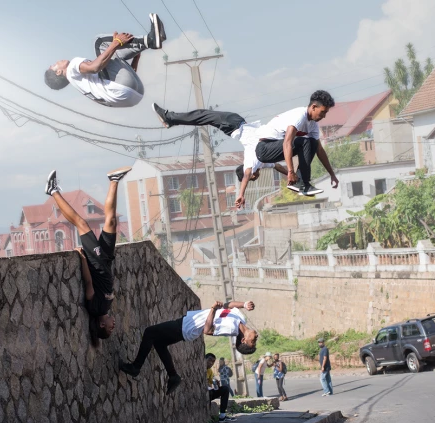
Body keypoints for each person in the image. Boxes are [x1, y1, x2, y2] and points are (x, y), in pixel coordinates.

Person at [44, 166, 132, 346]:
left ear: (101, 324)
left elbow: (89, 283)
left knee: (81, 223)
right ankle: (114, 180)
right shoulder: (106, 308)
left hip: (96, 262)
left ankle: (52, 191)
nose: (112, 326)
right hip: (106, 261)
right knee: (111, 221)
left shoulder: (96, 308)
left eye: (109, 328)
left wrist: (84, 259)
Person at [119, 300, 257, 395]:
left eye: (253, 342)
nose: (255, 339)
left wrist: (213, 309)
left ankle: (136, 367)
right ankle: (173, 376)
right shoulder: (241, 320)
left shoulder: (231, 328)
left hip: (187, 328)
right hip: (188, 323)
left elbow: (207, 330)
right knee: (159, 343)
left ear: (243, 340)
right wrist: (244, 304)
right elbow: (227, 305)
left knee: (150, 332)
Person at [151, 104, 291, 194]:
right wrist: (290, 173)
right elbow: (277, 166)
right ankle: (170, 119)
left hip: (232, 125)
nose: (256, 177)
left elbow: (247, 176)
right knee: (202, 115)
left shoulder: (252, 161)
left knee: (202, 115)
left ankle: (170, 118)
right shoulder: (261, 162)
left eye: (253, 178)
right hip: (237, 123)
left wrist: (241, 194)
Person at [44, 13, 166, 107]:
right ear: (59, 72)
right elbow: (95, 67)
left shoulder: (82, 84)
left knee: (110, 55)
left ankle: (151, 41)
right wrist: (116, 42)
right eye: (55, 65)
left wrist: (136, 58)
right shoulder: (72, 68)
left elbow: (127, 82)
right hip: (123, 88)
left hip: (136, 94)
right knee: (100, 43)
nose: (57, 61)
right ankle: (150, 40)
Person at [206, 353, 237, 423]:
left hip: (209, 392)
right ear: (204, 360)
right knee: (209, 393)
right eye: (209, 360)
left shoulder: (210, 371)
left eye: (213, 361)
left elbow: (212, 382)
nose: (211, 363)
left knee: (225, 389)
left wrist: (216, 382)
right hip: (203, 393)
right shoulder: (200, 369)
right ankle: (208, 419)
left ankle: (222, 416)